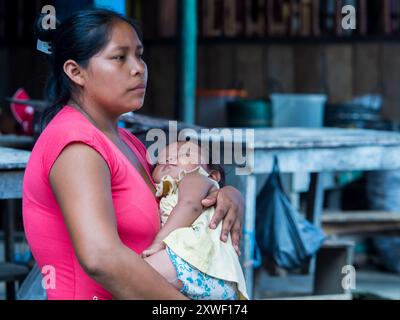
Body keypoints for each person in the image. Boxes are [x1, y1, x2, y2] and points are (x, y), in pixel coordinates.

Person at [22, 8, 244, 300]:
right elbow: (101, 257)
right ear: (76, 72)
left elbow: (177, 193)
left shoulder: (126, 141)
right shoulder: (75, 144)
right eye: (119, 57)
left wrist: (226, 193)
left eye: (139, 55)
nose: (138, 68)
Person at [141, 141, 248, 300]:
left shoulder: (195, 177)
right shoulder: (170, 191)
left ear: (212, 175)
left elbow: (190, 206)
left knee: (132, 275)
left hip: (198, 263)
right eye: (162, 159)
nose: (169, 158)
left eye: (184, 154)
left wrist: (158, 243)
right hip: (212, 275)